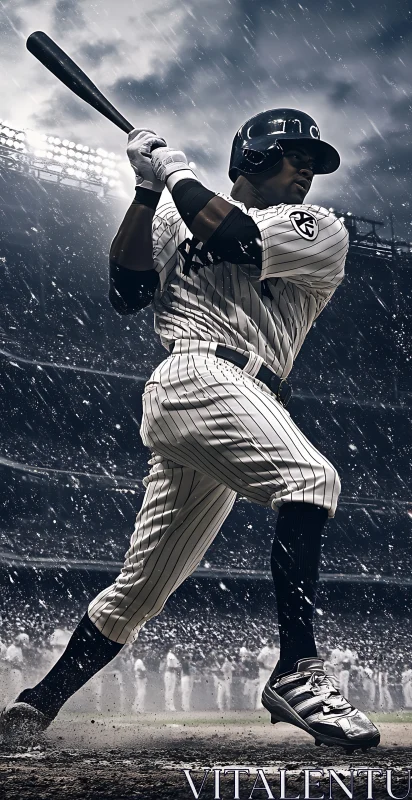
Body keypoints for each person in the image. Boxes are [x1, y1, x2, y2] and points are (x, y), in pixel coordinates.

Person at [0, 107, 379, 752]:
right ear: (254, 158)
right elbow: (126, 289)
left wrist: (171, 171)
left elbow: (237, 240)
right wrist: (145, 195)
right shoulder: (179, 210)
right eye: (296, 157)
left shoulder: (320, 230)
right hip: (196, 376)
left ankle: (31, 710)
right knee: (311, 478)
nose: (308, 172)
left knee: (139, 592)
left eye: (314, 163)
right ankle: (299, 671)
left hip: (246, 398)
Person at [256, 640, 279, 709]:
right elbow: (259, 661)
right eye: (269, 642)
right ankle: (260, 705)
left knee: (274, 686)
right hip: (265, 671)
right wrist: (267, 667)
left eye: (271, 642)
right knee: (263, 686)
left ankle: (273, 704)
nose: (270, 643)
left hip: (274, 670)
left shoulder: (277, 650)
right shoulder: (264, 650)